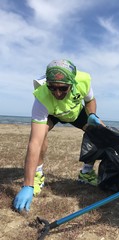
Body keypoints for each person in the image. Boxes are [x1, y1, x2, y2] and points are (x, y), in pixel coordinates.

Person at [13, 59, 103, 212]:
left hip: (75, 113)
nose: (57, 93)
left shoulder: (83, 80)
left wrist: (92, 115)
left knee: (97, 133)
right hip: (52, 114)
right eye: (52, 88)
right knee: (40, 139)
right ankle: (37, 176)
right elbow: (34, 143)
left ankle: (86, 173)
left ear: (72, 83)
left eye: (63, 88)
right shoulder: (42, 98)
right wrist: (28, 185)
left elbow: (90, 100)